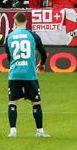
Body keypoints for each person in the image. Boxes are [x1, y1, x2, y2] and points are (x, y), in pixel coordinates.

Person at [5, 11, 49, 139]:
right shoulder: (32, 35)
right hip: (29, 73)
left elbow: (9, 56)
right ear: (26, 21)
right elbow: (43, 52)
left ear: (15, 22)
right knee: (36, 102)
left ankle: (13, 131)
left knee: (13, 101)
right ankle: (39, 131)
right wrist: (42, 64)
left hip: (15, 73)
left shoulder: (10, 36)